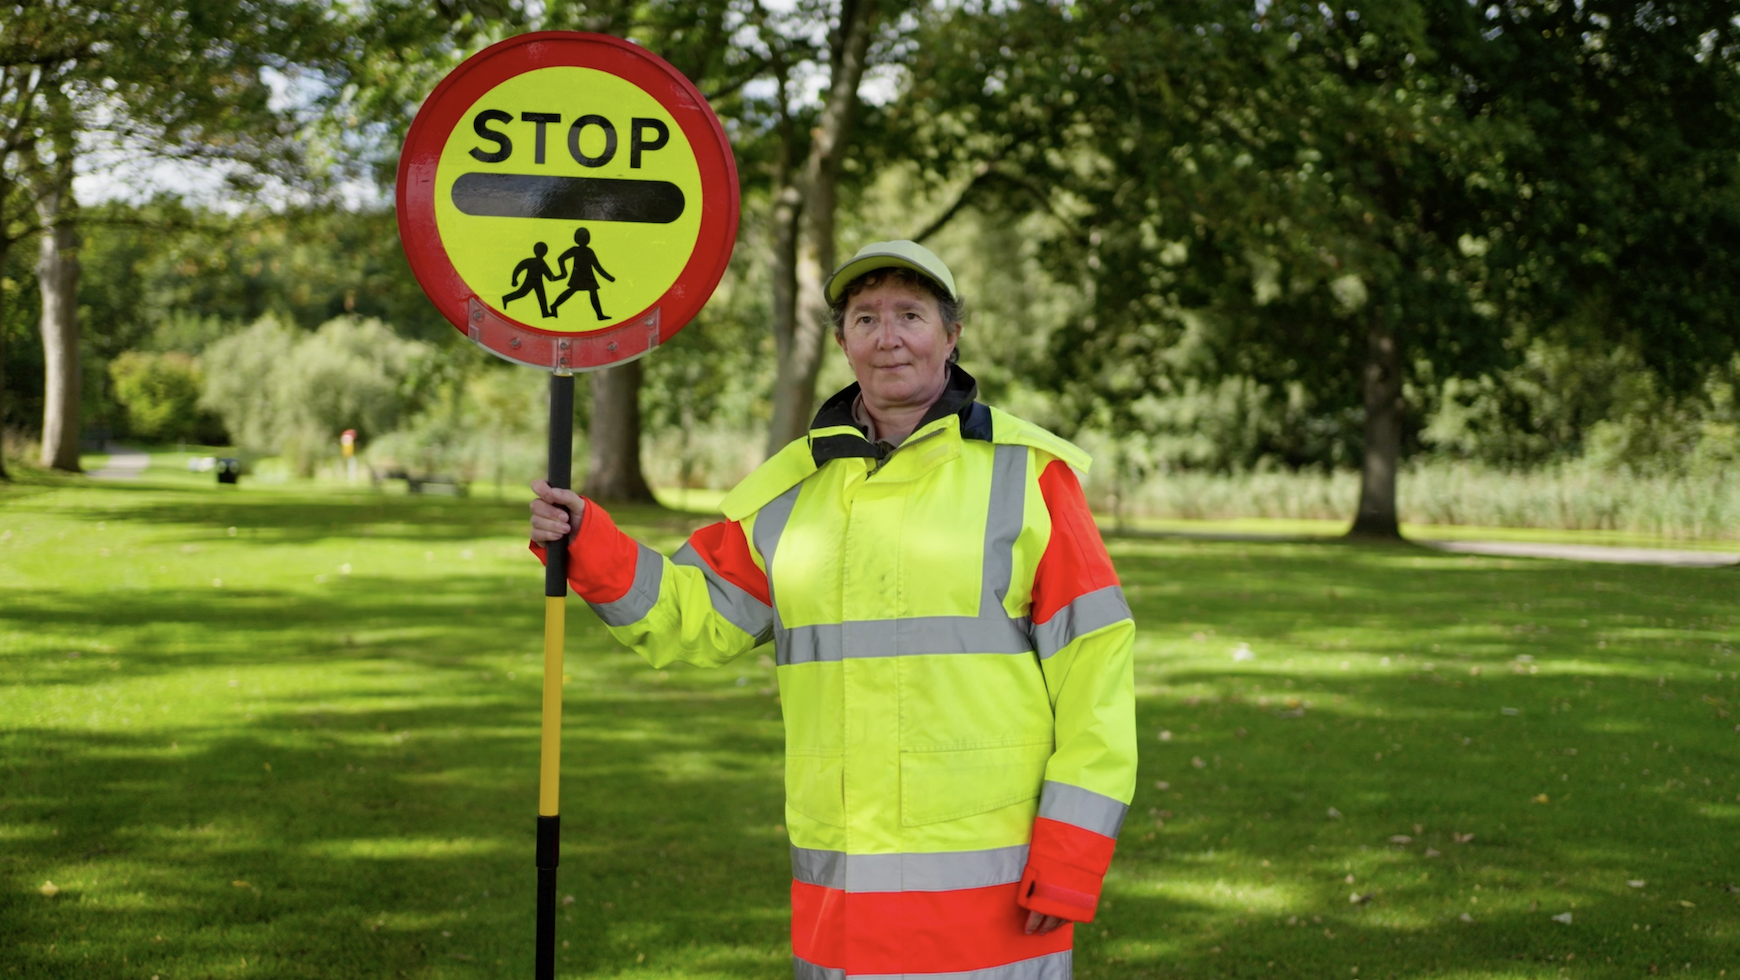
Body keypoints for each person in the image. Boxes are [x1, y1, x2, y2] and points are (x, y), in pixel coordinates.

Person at [529, 240, 1136, 980]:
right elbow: (693, 615)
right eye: (865, 318)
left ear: (951, 335)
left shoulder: (1032, 477)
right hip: (841, 901)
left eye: (910, 315)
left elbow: (1095, 676)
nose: (888, 338)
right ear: (843, 341)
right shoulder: (790, 491)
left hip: (997, 898)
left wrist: (1073, 853)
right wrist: (587, 542)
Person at [550, 226, 615, 320]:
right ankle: (554, 305)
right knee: (574, 291)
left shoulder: (588, 251)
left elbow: (597, 266)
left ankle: (599, 315)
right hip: (580, 276)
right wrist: (564, 272)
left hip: (587, 276)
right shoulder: (579, 250)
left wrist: (609, 277)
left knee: (589, 292)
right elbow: (561, 258)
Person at [502, 242, 558, 318]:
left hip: (538, 282)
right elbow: (519, 267)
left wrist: (561, 276)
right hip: (530, 281)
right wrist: (514, 279)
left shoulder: (540, 262)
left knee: (542, 297)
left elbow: (550, 277)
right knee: (522, 293)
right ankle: (506, 298)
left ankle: (545, 313)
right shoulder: (533, 261)